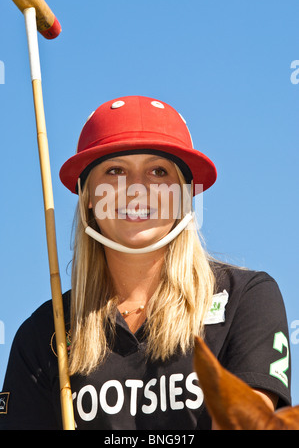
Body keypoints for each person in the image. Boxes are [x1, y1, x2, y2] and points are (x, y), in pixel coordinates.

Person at [0, 96, 292, 430]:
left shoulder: (247, 299)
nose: (137, 189)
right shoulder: (44, 333)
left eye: (158, 171)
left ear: (184, 193)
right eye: (115, 171)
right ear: (89, 198)